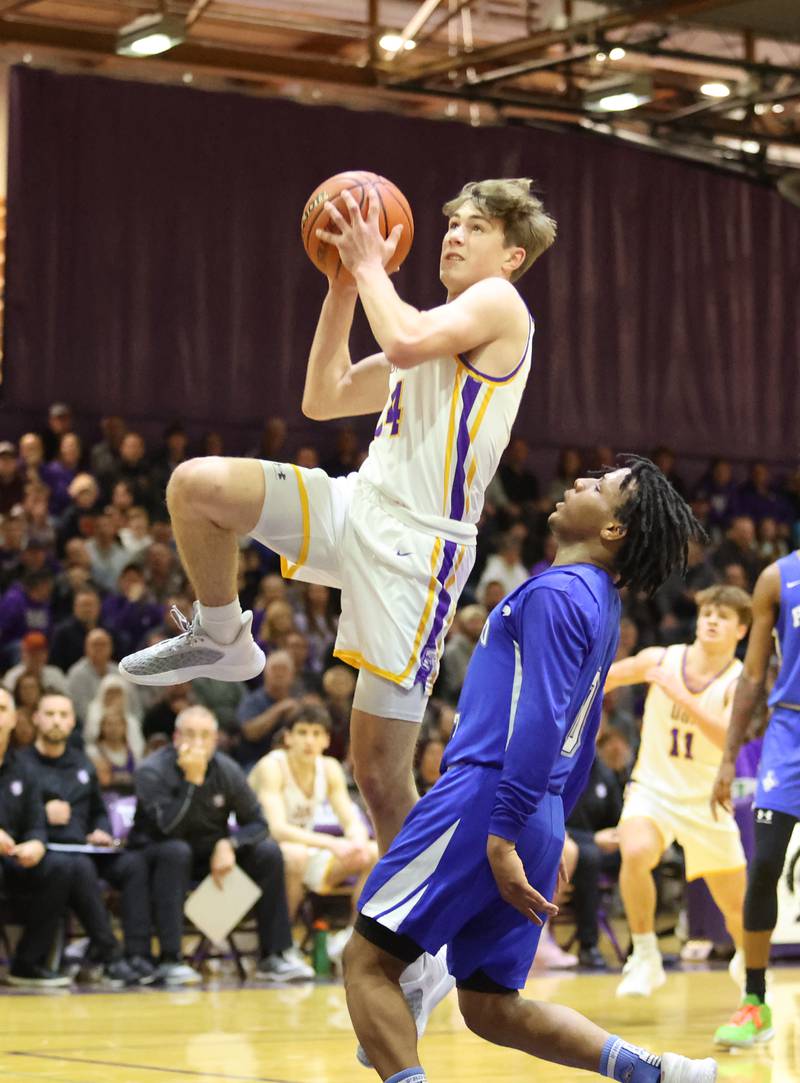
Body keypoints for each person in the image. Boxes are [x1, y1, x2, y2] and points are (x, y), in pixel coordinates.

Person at [118, 178, 556, 861]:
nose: (453, 234)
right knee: (195, 484)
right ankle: (224, 633)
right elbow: (323, 396)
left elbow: (406, 340)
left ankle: (420, 940)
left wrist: (370, 268)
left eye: (474, 227)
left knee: (380, 777)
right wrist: (344, 288)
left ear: (511, 257)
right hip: (358, 502)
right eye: (451, 224)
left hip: (418, 547)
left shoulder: (499, 305)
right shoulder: (426, 328)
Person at [342, 457, 717, 1083]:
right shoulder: (595, 602)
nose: (578, 483)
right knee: (491, 1006)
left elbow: (543, 717)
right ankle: (654, 1071)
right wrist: (552, 826)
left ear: (614, 530)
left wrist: (504, 830)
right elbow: (586, 728)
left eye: (599, 487)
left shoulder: (556, 593)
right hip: (534, 809)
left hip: (485, 796)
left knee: (368, 961)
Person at [604, 585, 752, 998]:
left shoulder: (740, 681)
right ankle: (646, 954)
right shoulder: (662, 658)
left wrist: (677, 693)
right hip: (653, 789)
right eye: (707, 612)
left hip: (707, 800)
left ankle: (748, 967)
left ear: (740, 630)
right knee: (634, 852)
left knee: (737, 909)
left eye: (722, 616)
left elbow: (727, 737)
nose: (711, 620)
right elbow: (607, 677)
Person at [129, 705, 314, 984]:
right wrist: (193, 781)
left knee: (267, 853)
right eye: (190, 735)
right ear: (176, 738)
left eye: (205, 736)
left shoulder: (226, 769)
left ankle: (274, 955)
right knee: (176, 851)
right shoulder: (152, 771)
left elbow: (258, 823)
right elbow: (168, 828)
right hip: (158, 854)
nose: (198, 743)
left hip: (209, 854)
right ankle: (171, 959)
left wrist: (230, 843)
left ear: (215, 740)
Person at [710, 553, 800, 1047]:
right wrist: (729, 758)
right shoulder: (777, 578)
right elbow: (751, 676)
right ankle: (755, 1002)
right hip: (789, 729)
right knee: (764, 863)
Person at [22, 693, 152, 983]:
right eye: (50, 714)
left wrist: (101, 830)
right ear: (36, 719)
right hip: (46, 851)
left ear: (72, 722)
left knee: (134, 864)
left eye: (63, 715)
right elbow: (13, 816)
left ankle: (139, 955)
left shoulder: (82, 764)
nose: (56, 720)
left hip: (84, 848)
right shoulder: (22, 764)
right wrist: (42, 814)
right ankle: (110, 955)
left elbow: (98, 810)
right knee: (76, 866)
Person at [249, 702, 378, 959]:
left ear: (327, 740)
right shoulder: (271, 767)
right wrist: (332, 844)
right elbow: (277, 830)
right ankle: (279, 945)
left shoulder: (329, 768)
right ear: (288, 737)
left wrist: (356, 840)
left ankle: (352, 939)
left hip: (304, 851)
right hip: (260, 853)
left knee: (373, 853)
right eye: (302, 732)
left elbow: (351, 818)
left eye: (317, 734)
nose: (309, 740)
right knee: (294, 855)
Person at [0, 687, 72, 987]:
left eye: (3, 709)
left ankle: (27, 963)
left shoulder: (23, 768)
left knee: (60, 867)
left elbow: (35, 823)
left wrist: (36, 843)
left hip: (12, 860)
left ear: (15, 718)